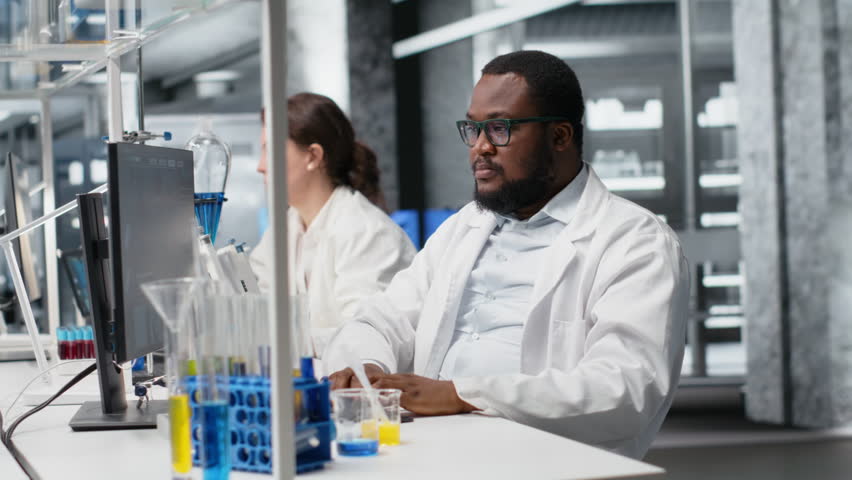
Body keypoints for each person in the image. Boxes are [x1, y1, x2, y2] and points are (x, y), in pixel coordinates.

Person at [325, 51, 688, 459]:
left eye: (499, 128)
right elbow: (383, 318)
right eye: (473, 128)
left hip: (547, 460)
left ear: (560, 137)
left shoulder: (634, 241)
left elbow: (626, 388)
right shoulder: (466, 226)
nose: (480, 147)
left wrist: (462, 395)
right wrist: (369, 368)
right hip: (433, 447)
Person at [250, 92, 416, 357]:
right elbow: (254, 307)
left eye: (269, 151)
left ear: (313, 156)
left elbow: (362, 337)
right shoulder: (283, 230)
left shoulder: (367, 233)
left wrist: (277, 343)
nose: (260, 166)